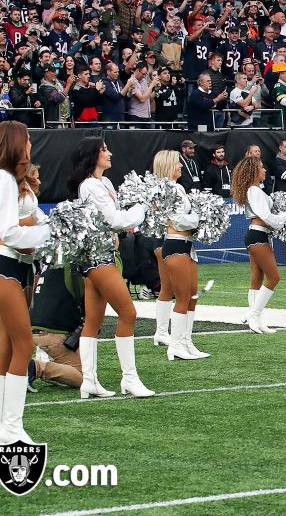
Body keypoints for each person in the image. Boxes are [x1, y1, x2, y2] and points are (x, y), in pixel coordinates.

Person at [0, 122, 51, 450]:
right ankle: (12, 428)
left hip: (20, 268)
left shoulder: (15, 179)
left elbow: (35, 221)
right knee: (23, 345)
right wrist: (49, 234)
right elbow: (8, 232)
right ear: (15, 142)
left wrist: (55, 229)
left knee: (9, 348)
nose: (31, 144)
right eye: (28, 139)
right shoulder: (2, 178)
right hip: (4, 267)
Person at [67, 136, 154, 398]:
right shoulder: (90, 186)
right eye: (104, 150)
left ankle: (89, 381)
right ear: (92, 155)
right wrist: (142, 207)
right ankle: (129, 378)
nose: (110, 153)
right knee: (128, 313)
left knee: (93, 320)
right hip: (97, 257)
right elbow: (114, 219)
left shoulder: (103, 182)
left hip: (102, 253)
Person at [152, 150, 208, 360]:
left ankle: (186, 341)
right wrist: (199, 216)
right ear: (168, 165)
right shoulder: (168, 190)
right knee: (183, 296)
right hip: (175, 244)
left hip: (186, 244)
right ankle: (174, 345)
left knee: (193, 295)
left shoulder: (179, 188)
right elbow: (178, 220)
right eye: (177, 163)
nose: (181, 166)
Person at [232, 156, 286, 334]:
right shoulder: (254, 191)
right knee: (274, 277)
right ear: (253, 172)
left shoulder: (254, 190)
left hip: (257, 234)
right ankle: (253, 314)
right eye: (261, 167)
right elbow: (265, 215)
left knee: (257, 278)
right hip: (258, 235)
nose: (265, 170)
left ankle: (257, 319)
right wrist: (283, 219)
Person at [27, 265, 84, 391]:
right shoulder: (75, 267)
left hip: (34, 326)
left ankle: (47, 366)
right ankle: (36, 367)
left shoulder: (49, 263)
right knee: (84, 378)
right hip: (54, 332)